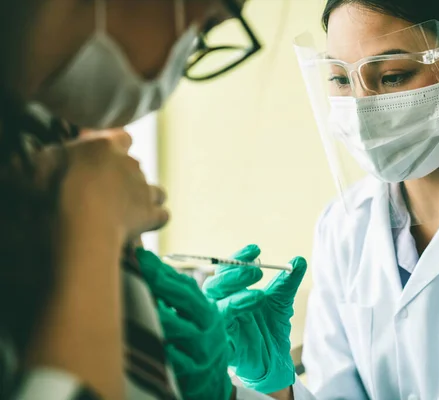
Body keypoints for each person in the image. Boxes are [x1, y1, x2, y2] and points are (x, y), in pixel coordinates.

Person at [158, 0, 439, 399]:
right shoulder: (345, 223)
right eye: (338, 78)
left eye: (392, 76)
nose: (362, 109)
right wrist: (275, 389)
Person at [0, 0, 299, 399]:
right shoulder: (73, 181)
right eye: (206, 24)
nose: (185, 50)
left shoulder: (40, 136)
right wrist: (94, 222)